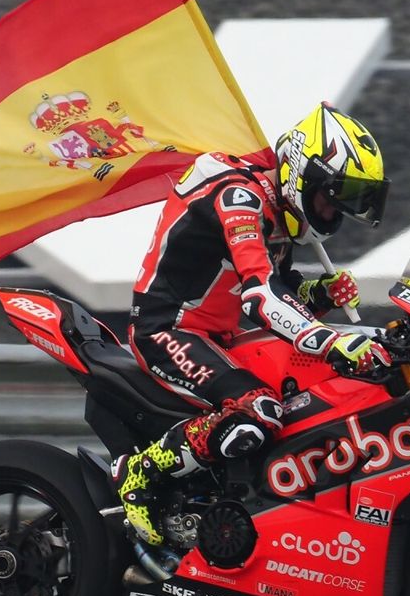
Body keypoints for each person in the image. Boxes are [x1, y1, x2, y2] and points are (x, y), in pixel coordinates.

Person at [115, 103, 392, 545]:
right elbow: (261, 297)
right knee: (257, 412)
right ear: (305, 176)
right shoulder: (238, 197)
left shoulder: (281, 215)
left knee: (310, 392)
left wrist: (320, 297)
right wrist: (331, 342)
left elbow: (282, 294)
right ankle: (141, 473)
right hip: (168, 329)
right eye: (330, 197)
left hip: (225, 335)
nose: (332, 212)